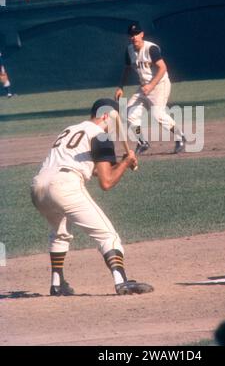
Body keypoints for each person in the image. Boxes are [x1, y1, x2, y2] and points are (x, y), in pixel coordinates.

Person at [30, 98, 154, 296]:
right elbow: (106, 182)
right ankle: (121, 281)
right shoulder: (101, 136)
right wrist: (126, 162)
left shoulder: (71, 129)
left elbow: (95, 170)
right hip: (65, 186)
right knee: (108, 236)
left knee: (60, 232)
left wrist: (122, 162)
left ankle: (57, 283)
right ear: (106, 115)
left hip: (38, 186)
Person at [114, 23, 186, 155]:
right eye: (131, 35)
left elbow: (163, 68)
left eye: (136, 34)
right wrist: (120, 87)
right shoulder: (129, 50)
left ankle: (180, 137)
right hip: (144, 87)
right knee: (129, 116)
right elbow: (127, 68)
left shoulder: (151, 48)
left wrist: (151, 85)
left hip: (159, 85)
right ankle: (142, 141)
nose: (134, 37)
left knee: (157, 115)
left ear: (142, 34)